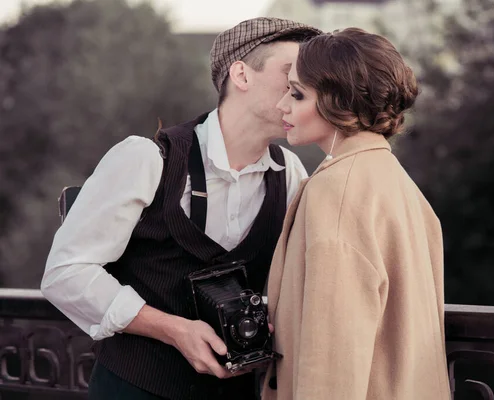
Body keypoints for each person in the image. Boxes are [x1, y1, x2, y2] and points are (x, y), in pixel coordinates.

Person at [40, 17, 321, 400]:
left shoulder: (290, 173)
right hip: (134, 389)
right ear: (241, 75)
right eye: (291, 74)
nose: (303, 89)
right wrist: (174, 329)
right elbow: (65, 274)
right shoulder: (146, 158)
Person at [261, 28, 452, 400]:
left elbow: (332, 357)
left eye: (297, 93)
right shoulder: (399, 183)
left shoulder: (337, 190)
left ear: (340, 102)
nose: (282, 105)